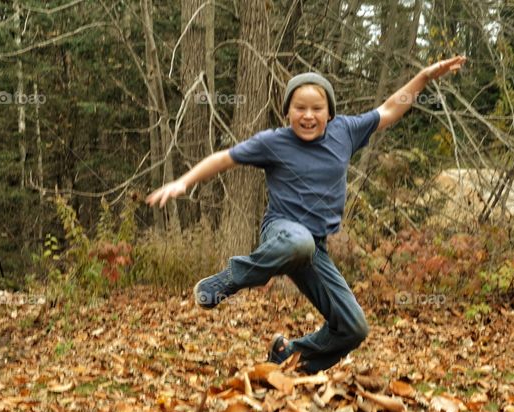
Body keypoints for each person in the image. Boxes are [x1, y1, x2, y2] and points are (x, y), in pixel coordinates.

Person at [147, 56, 467, 372]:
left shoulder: (346, 131)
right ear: (287, 111)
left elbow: (389, 109)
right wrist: (183, 181)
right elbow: (225, 159)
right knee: (298, 242)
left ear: (330, 112)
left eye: (317, 109)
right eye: (300, 108)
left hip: (315, 247)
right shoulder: (274, 142)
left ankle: (291, 357)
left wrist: (424, 77)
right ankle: (228, 280)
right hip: (282, 232)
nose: (308, 116)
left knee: (354, 328)